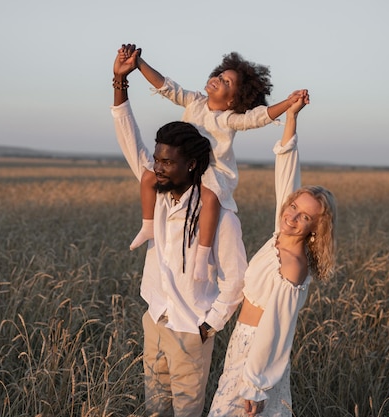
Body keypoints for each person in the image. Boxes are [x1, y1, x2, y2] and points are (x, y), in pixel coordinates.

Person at [112, 45, 248, 416]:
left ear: (190, 166)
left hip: (192, 330)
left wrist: (208, 325)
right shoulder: (158, 196)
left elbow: (237, 280)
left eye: (166, 162)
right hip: (155, 319)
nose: (157, 167)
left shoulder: (218, 213)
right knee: (156, 409)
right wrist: (120, 82)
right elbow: (129, 140)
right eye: (157, 159)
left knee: (186, 412)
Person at [126, 44, 305, 283]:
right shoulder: (194, 102)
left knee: (210, 198)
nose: (219, 80)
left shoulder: (230, 119)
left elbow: (259, 117)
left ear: (233, 100)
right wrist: (138, 63)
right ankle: (148, 226)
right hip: (186, 166)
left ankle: (202, 257)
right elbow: (165, 86)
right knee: (149, 176)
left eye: (227, 83)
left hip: (214, 171)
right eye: (220, 76)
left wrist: (288, 102)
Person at [207, 91, 338, 416]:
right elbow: (286, 172)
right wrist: (292, 117)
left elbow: (277, 330)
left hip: (258, 355)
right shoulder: (280, 235)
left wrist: (255, 385)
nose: (292, 216)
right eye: (293, 206)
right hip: (241, 342)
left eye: (304, 217)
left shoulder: (292, 268)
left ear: (315, 229)